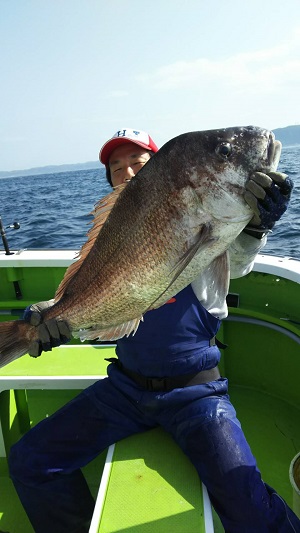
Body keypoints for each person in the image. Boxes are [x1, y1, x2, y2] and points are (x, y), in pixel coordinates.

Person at [8, 127, 299, 533]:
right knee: (29, 460)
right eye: (116, 166)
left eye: (137, 161)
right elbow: (92, 292)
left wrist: (255, 228)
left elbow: (238, 261)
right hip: (123, 390)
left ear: (159, 164)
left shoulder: (197, 219)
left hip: (196, 393)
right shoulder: (120, 233)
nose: (126, 171)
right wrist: (46, 317)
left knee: (248, 506)